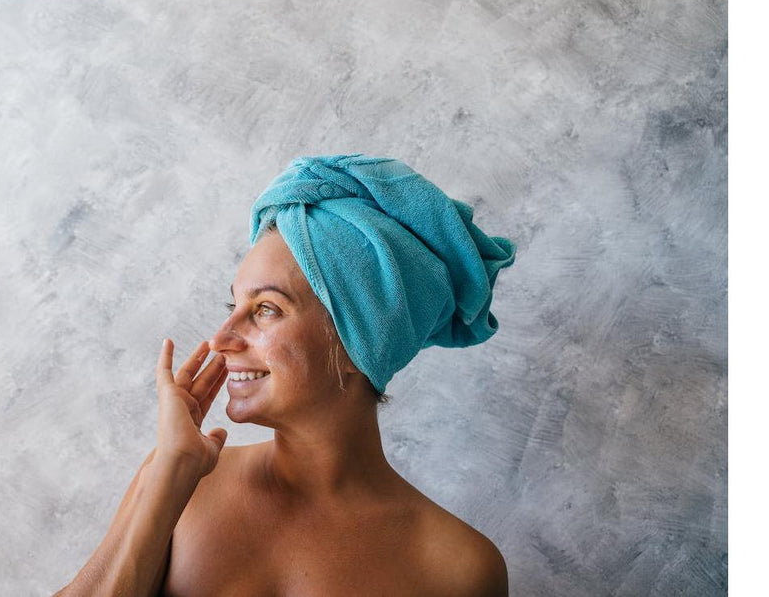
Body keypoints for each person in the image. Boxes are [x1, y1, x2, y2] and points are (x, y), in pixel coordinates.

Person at [56, 154, 516, 596]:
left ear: (362, 341)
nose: (221, 339)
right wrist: (167, 478)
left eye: (266, 310)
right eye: (233, 306)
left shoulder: (460, 571)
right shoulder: (181, 481)